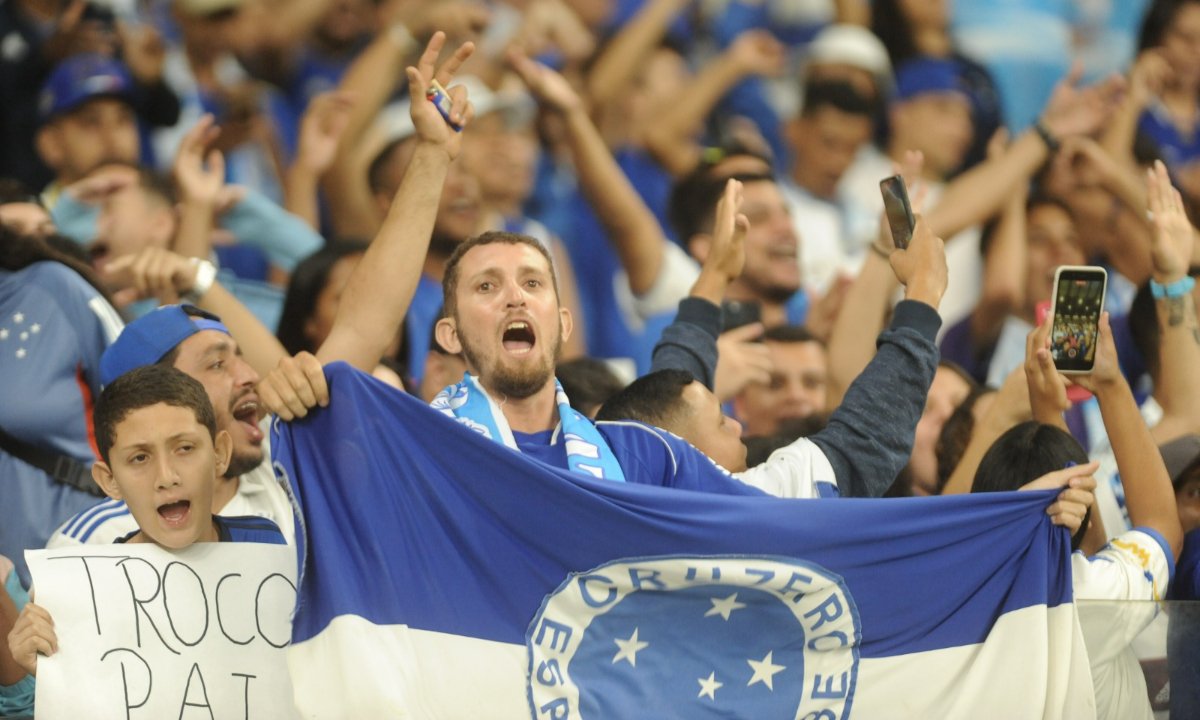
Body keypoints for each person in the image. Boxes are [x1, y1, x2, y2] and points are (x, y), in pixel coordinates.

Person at [260, 32, 1091, 528]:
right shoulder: (416, 438)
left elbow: (838, 461)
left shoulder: (634, 458)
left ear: (564, 326)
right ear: (446, 334)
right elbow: (356, 341)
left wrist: (918, 311)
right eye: (485, 287)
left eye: (532, 283)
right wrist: (435, 156)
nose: (513, 295)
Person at [6, 364, 284, 681]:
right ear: (109, 480)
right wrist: (45, 672)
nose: (166, 477)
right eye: (140, 458)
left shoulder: (267, 545)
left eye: (185, 448)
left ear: (219, 453)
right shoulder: (83, 592)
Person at [973, 308, 1182, 720]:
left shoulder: (961, 593)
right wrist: (1109, 383)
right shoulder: (1091, 596)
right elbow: (1161, 526)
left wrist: (1047, 414)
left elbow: (1091, 549)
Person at [48, 302, 294, 548]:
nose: (251, 376)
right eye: (217, 364)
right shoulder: (87, 545)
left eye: (241, 358)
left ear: (221, 450)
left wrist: (198, 281)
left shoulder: (279, 462)